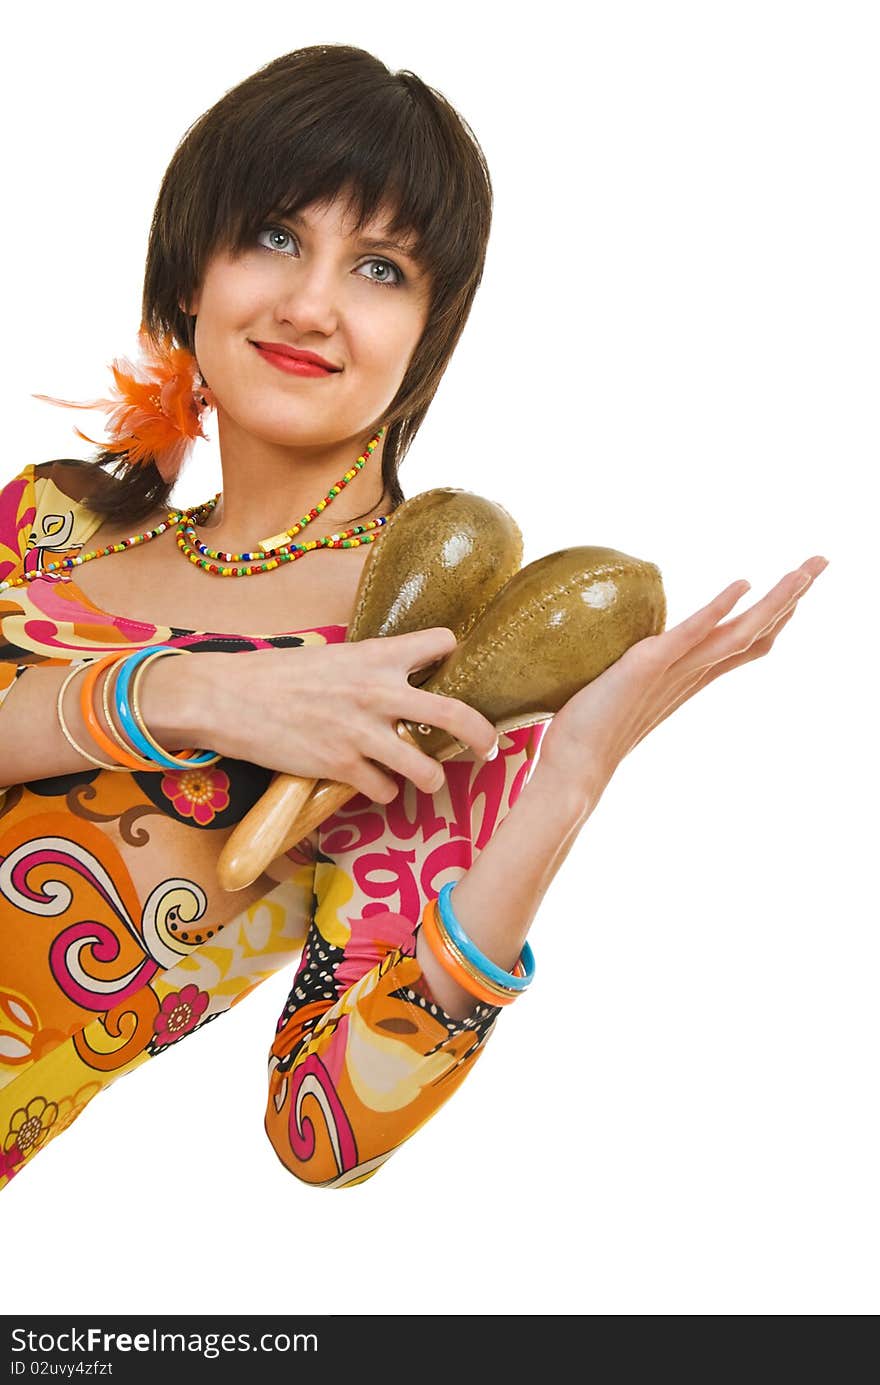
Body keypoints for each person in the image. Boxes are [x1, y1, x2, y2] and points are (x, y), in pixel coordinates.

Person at [0, 43, 828, 1194]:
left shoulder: (419, 679)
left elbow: (327, 1129)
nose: (311, 303)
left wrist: (567, 778)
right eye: (275, 236)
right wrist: (176, 692)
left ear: (430, 329)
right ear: (192, 268)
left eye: (380, 268)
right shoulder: (50, 523)